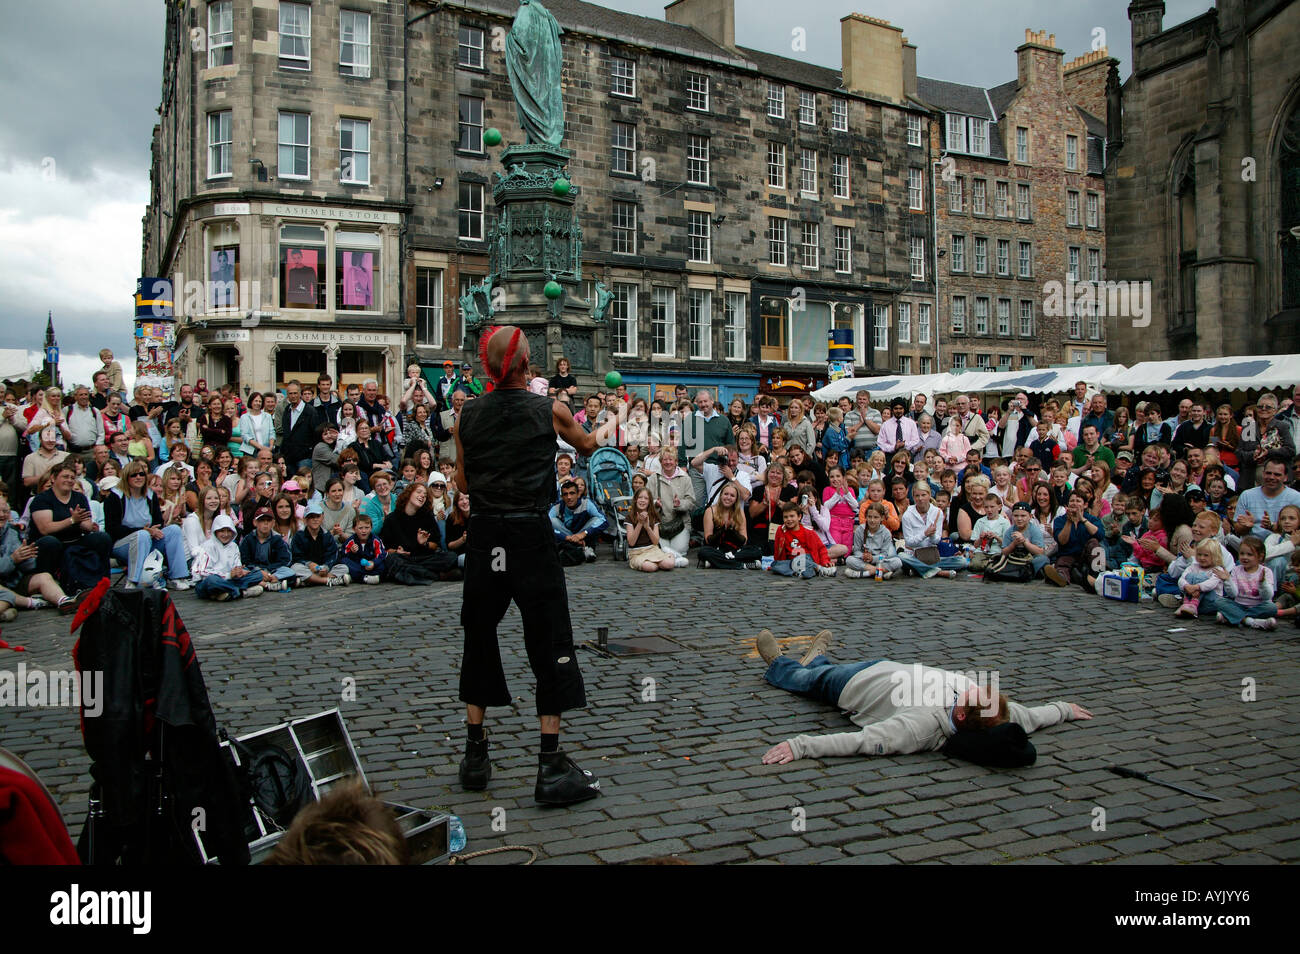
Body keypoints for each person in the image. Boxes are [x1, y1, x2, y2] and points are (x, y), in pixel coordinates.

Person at [453, 325, 623, 806]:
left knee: (480, 634)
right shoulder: (550, 408)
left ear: (488, 368)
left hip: (488, 535)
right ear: (527, 366)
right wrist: (615, 417)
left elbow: (463, 483)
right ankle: (549, 764)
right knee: (550, 639)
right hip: (529, 533)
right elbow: (589, 447)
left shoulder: (466, 414)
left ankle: (474, 754)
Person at [754, 631, 1092, 765]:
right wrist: (1064, 709)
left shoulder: (921, 728)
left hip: (855, 686)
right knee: (822, 669)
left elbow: (862, 741)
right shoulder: (996, 711)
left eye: (966, 695)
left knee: (808, 680)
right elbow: (1032, 716)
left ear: (960, 716)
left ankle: (780, 664)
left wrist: (799, 746)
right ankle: (818, 658)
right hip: (887, 667)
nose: (967, 687)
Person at [26, 461, 112, 596]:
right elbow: (45, 528)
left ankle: (102, 582)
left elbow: (86, 524)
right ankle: (49, 585)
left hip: (75, 539)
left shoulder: (79, 497)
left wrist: (87, 526)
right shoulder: (42, 499)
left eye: (72, 477)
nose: (69, 480)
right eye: (65, 477)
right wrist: (72, 520)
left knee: (102, 538)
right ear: (53, 479)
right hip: (50, 542)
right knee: (50, 542)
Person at [104, 461, 192, 590]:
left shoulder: (150, 496)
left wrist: (154, 529)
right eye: (134, 475)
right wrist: (144, 530)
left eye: (141, 474)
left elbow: (157, 522)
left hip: (149, 538)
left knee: (173, 530)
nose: (138, 477)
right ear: (126, 477)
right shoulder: (115, 497)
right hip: (122, 543)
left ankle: (177, 577)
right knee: (142, 535)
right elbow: (112, 529)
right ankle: (134, 580)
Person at [1204, 536, 1277, 629]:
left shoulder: (1266, 571)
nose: (1244, 557)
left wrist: (1262, 583)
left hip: (1257, 606)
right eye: (1242, 553)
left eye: (1249, 554)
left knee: (1272, 608)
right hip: (1239, 605)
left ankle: (1231, 617)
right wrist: (1227, 580)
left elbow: (1268, 596)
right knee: (1219, 601)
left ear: (1260, 556)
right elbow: (1233, 594)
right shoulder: (1236, 570)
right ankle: (1250, 621)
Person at [192, 515, 265, 601]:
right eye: (222, 531)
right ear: (215, 531)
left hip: (230, 580)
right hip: (210, 582)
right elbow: (203, 572)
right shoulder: (206, 547)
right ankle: (240, 592)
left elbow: (237, 565)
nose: (226, 534)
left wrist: (240, 572)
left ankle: (223, 593)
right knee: (212, 581)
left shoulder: (234, 546)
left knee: (258, 574)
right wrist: (228, 575)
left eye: (229, 531)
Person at [291, 501, 350, 587]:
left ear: (322, 518)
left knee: (343, 568)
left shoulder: (327, 535)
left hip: (324, 569)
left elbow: (333, 555)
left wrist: (326, 567)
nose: (315, 519)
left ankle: (310, 580)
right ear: (305, 520)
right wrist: (309, 564)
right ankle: (327, 580)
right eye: (311, 517)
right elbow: (296, 556)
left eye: (318, 516)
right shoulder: (299, 535)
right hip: (307, 568)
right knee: (295, 568)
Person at [771, 500, 835, 578]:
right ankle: (801, 572)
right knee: (774, 565)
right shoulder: (781, 530)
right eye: (786, 517)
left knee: (799, 560)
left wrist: (825, 561)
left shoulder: (808, 531)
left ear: (799, 517)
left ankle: (818, 568)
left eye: (792, 516)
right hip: (791, 562)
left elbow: (821, 548)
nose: (789, 519)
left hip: (806, 558)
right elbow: (777, 549)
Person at [549, 480, 606, 565]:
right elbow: (546, 526)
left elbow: (603, 520)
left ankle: (581, 546)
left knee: (596, 519)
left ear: (578, 494)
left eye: (572, 493)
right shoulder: (557, 507)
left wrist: (583, 534)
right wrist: (566, 537)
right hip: (566, 536)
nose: (569, 497)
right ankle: (582, 548)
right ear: (562, 496)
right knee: (552, 522)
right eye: (565, 494)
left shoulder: (587, 503)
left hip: (583, 535)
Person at [238, 506, 295, 590]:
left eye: (268, 521)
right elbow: (244, 560)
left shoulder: (278, 539)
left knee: (290, 572)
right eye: (261, 520)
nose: (265, 524)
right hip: (255, 570)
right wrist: (259, 571)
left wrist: (269, 572)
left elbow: (286, 559)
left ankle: (269, 581)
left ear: (273, 523)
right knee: (243, 572)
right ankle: (269, 584)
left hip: (273, 570)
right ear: (255, 522)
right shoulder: (248, 539)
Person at [624, 487, 675, 572]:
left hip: (652, 549)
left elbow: (655, 541)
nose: (642, 500)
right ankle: (657, 562)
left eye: (646, 498)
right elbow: (631, 542)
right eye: (640, 497)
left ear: (649, 502)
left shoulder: (653, 516)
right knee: (651, 567)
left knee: (668, 564)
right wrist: (640, 523)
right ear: (636, 499)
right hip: (637, 552)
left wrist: (647, 528)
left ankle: (671, 556)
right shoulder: (629, 517)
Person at [844, 502, 900, 579]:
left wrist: (873, 558)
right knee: (849, 560)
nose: (872, 520)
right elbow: (856, 550)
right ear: (866, 517)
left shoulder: (886, 533)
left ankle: (863, 574)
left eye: (876, 517)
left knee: (897, 562)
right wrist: (864, 556)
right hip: (864, 562)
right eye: (869, 517)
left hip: (879, 561)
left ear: (882, 518)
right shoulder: (860, 530)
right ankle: (880, 572)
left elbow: (884, 554)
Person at [342, 513, 387, 584]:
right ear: (354, 529)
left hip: (371, 565)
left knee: (382, 566)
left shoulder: (376, 540)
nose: (364, 531)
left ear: (371, 528)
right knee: (344, 562)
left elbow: (381, 554)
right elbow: (344, 554)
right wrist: (351, 552)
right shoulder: (351, 541)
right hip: (357, 565)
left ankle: (356, 577)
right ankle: (364, 578)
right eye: (360, 528)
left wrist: (373, 563)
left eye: (367, 528)